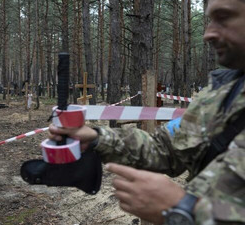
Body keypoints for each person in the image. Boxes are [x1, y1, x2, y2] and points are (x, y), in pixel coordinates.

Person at [49, 0, 245, 224]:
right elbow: (166, 150)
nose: (208, 33)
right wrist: (96, 138)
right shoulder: (221, 93)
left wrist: (184, 210)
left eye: (224, 17)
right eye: (210, 19)